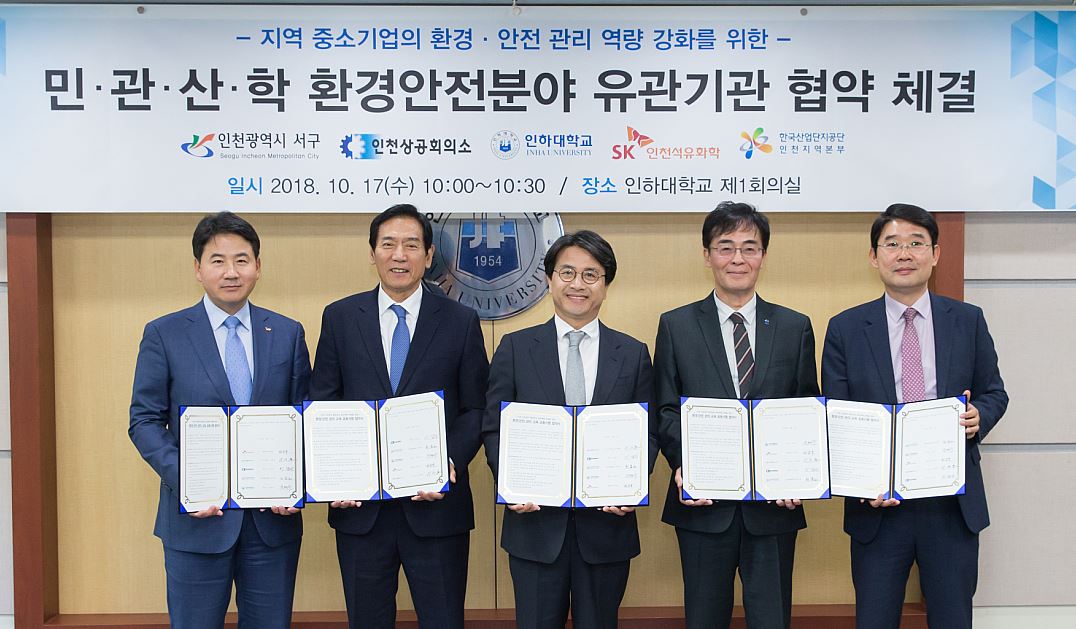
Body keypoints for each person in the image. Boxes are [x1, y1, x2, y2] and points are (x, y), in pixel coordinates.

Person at [821, 203, 1007, 629]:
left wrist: (979, 414)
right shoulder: (846, 328)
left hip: (951, 503)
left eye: (916, 243)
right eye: (891, 244)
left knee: (953, 619)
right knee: (874, 619)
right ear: (874, 256)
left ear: (935, 254)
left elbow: (994, 392)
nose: (904, 254)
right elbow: (835, 416)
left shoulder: (967, 320)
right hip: (878, 506)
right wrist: (862, 482)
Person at [310, 203, 489, 629]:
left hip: (437, 509)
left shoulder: (461, 321)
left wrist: (449, 461)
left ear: (428, 255)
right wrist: (333, 475)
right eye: (388, 244)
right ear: (372, 252)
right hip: (361, 511)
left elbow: (476, 407)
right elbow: (323, 403)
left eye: (411, 245)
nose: (399, 255)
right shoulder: (340, 318)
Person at [128, 212, 311, 629]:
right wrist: (188, 480)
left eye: (242, 260)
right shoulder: (165, 334)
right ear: (198, 268)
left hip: (271, 524)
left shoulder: (287, 333)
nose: (231, 272)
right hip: (196, 523)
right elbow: (144, 420)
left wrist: (298, 481)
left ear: (258, 266)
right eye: (218, 260)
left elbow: (304, 418)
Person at [655, 202, 819, 629]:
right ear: (707, 254)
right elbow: (666, 408)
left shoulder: (794, 326)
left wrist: (799, 473)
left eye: (750, 247)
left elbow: (806, 408)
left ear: (763, 254)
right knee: (704, 618)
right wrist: (685, 464)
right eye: (725, 247)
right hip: (703, 505)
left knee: (772, 618)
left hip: (773, 507)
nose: (737, 258)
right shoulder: (676, 325)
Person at [482, 230, 656, 629]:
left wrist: (631, 486)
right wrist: (511, 482)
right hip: (535, 527)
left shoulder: (632, 354)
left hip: (606, 528)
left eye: (591, 275)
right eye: (567, 273)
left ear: (606, 285)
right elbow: (493, 428)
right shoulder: (515, 348)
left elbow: (646, 433)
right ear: (549, 280)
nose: (578, 284)